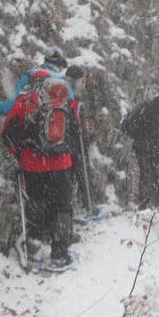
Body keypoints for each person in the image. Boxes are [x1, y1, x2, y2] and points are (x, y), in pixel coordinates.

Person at [0, 69, 81, 269]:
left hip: (33, 164)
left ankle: (33, 247)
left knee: (36, 202)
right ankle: (60, 254)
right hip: (61, 164)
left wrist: (18, 153)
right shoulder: (66, 101)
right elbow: (76, 128)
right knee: (61, 205)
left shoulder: (27, 101)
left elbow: (7, 132)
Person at [121, 82, 159, 245]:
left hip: (156, 149)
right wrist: (141, 139)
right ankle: (142, 207)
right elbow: (129, 126)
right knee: (146, 176)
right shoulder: (147, 108)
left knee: (155, 177)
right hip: (143, 148)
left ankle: (148, 205)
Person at [0, 46, 72, 116]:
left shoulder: (31, 77)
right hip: (58, 137)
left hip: (32, 135)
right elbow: (74, 113)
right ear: (60, 65)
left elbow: (12, 107)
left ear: (45, 60)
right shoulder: (65, 83)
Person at [65, 65, 98, 215]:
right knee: (83, 171)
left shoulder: (63, 90)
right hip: (75, 139)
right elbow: (74, 117)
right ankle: (88, 204)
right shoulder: (71, 93)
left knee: (70, 175)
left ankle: (69, 207)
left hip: (66, 141)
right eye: (82, 80)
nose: (82, 83)